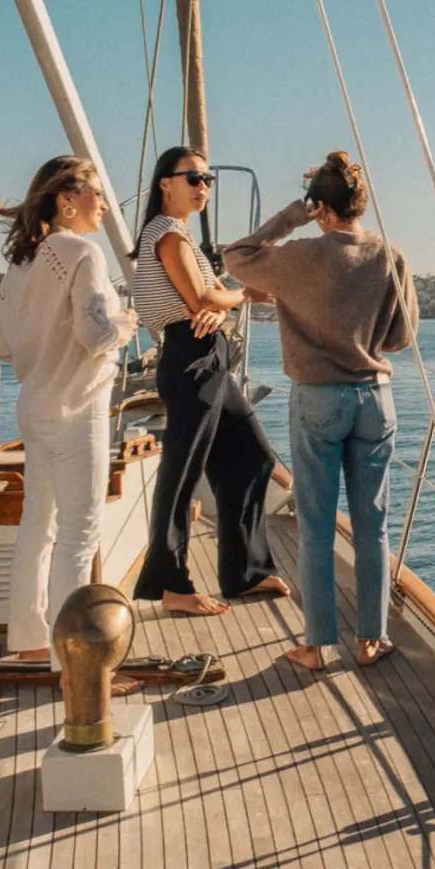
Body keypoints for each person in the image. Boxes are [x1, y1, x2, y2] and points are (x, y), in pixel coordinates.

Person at [226, 151, 419, 669]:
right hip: (375, 400)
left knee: (314, 525)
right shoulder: (390, 255)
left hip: (318, 400)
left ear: (322, 209)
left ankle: (318, 645)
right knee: (372, 525)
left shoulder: (302, 256)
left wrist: (292, 217)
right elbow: (401, 337)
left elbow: (236, 256)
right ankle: (372, 640)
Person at [0, 156, 139, 665]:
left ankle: (30, 640)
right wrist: (125, 322)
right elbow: (95, 335)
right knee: (79, 532)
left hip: (34, 407)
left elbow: (5, 347)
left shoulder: (19, 264)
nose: (104, 203)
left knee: (39, 526)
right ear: (66, 199)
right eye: (96, 193)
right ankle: (72, 665)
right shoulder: (82, 253)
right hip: (78, 409)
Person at [129, 146, 288, 615]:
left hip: (205, 354)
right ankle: (172, 585)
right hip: (190, 361)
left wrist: (216, 313)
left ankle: (244, 573)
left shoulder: (177, 235)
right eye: (193, 178)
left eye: (207, 180)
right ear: (165, 184)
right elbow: (199, 296)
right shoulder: (168, 236)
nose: (203, 187)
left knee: (252, 458)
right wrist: (244, 296)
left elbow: (201, 305)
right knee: (182, 474)